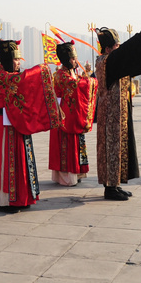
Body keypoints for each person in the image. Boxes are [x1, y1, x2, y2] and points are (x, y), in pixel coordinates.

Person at [95, 26, 141, 201]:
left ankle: (116, 184)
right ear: (108, 49)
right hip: (110, 116)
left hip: (118, 113)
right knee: (111, 148)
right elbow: (128, 50)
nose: (119, 50)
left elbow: (130, 56)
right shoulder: (106, 61)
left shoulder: (114, 62)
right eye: (116, 46)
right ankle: (110, 188)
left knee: (119, 147)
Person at [0, 39, 61, 212]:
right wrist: (41, 69)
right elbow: (23, 80)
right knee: (8, 161)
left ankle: (22, 197)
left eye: (19, 59)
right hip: (5, 126)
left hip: (15, 121)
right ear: (6, 60)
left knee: (21, 160)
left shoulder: (9, 77)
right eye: (16, 59)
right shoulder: (1, 77)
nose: (19, 62)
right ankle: (6, 200)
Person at [49, 41, 97, 186]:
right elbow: (76, 85)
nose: (75, 61)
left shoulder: (70, 73)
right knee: (66, 145)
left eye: (75, 58)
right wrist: (93, 81)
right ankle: (66, 176)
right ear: (66, 60)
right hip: (64, 115)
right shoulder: (61, 75)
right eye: (73, 59)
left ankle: (77, 172)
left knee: (77, 143)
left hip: (73, 114)